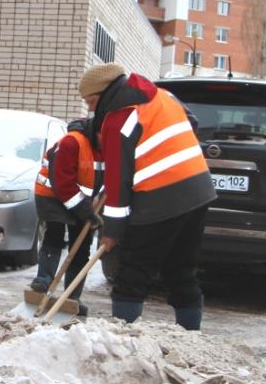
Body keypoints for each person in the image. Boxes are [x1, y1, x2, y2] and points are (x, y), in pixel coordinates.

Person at [79, 62, 216, 330]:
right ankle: (191, 336)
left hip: (160, 198)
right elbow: (192, 122)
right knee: (181, 269)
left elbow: (119, 180)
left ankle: (123, 335)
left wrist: (112, 232)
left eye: (92, 101)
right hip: (198, 190)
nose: (91, 109)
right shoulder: (163, 96)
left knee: (131, 272)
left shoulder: (119, 119)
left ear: (106, 93)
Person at [30, 118, 102, 316]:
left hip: (80, 198)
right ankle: (43, 281)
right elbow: (63, 184)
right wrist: (86, 212)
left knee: (82, 244)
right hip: (53, 195)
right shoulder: (72, 142)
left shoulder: (107, 148)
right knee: (55, 234)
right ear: (96, 132)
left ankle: (72, 296)